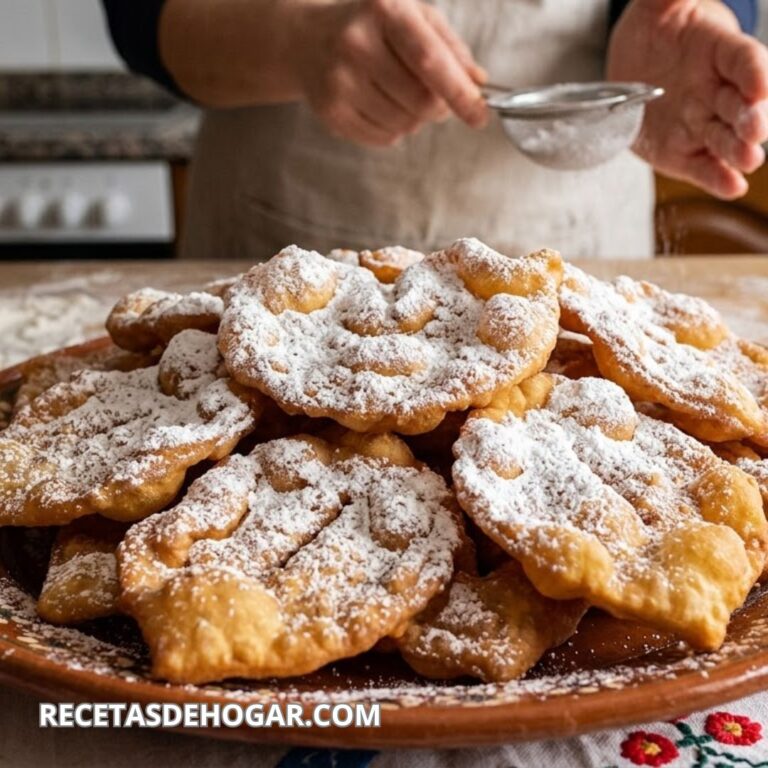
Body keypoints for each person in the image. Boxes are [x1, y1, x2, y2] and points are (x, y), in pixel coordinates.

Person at [104, 0, 768, 260]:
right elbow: (139, 16)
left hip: (571, 237)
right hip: (277, 239)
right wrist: (296, 40)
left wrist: (698, 10)